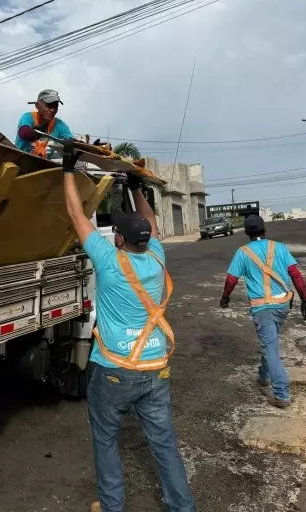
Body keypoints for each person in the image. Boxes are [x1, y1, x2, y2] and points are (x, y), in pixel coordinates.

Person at [60, 141, 195, 512]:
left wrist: (68, 169)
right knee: (164, 443)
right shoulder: (156, 254)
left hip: (115, 369)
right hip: (154, 367)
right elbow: (149, 223)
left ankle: (112, 506)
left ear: (118, 238)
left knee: (105, 440)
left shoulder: (109, 260)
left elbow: (76, 216)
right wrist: (135, 186)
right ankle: (183, 508)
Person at [220, 215, 306, 409]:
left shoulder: (242, 252)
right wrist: (305, 299)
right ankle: (264, 375)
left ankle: (282, 394)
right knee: (270, 341)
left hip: (262, 308)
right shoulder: (279, 247)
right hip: (283, 305)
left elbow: (231, 279)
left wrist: (225, 297)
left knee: (270, 348)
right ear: (264, 230)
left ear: (246, 232)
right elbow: (295, 274)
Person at [15, 89, 74, 158]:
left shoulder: (59, 125)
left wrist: (72, 142)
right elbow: (24, 132)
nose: (52, 110)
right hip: (21, 162)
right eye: (48, 105)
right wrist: (38, 131)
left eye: (55, 106)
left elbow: (70, 139)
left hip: (44, 166)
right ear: (37, 106)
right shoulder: (28, 117)